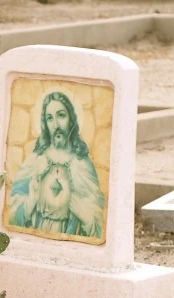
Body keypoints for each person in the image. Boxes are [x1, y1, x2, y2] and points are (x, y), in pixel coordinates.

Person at [7, 91, 105, 240]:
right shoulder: (35, 160)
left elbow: (97, 216)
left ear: (71, 120)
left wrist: (86, 215)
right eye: (49, 118)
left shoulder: (82, 164)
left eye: (61, 115)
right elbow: (13, 207)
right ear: (45, 124)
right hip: (37, 233)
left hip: (71, 234)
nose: (56, 125)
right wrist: (30, 202)